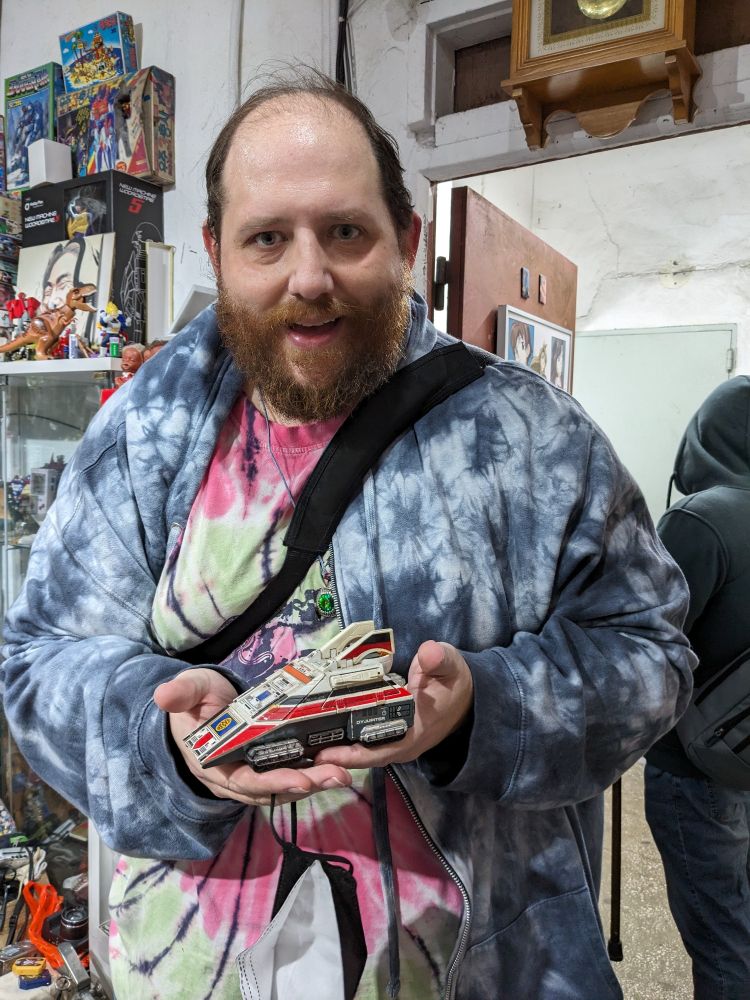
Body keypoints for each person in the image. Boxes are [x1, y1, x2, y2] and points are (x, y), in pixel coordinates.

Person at [1, 72, 694, 1000]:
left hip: (485, 965)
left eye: (345, 232)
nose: (309, 276)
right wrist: (164, 744)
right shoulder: (141, 434)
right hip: (193, 958)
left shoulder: (533, 440)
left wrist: (481, 712)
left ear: (406, 240)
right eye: (267, 239)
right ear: (218, 252)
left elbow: (651, 656)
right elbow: (38, 660)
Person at [644, 376, 750, 1000]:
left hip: (694, 764)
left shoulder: (700, 519)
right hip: (743, 753)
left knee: (720, 935)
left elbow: (647, 635)